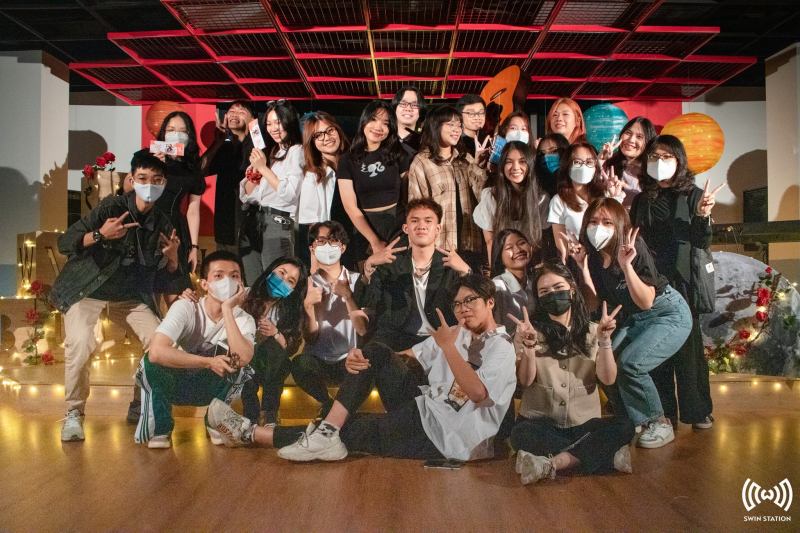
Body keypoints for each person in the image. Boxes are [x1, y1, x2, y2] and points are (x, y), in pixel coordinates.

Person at [207, 274, 517, 464]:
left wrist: (447, 348)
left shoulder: (500, 348)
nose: (463, 309)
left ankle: (249, 433)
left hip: (448, 437)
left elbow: (477, 393)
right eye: (458, 304)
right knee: (377, 351)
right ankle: (327, 430)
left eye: (470, 300)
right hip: (425, 409)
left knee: (353, 429)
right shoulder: (456, 335)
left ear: (490, 302)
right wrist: (362, 359)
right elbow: (402, 356)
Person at [51, 152, 181, 442]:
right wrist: (100, 235)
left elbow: (164, 277)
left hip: (129, 297)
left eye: (157, 180)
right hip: (88, 291)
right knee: (80, 344)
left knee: (160, 343)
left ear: (164, 184)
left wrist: (172, 259)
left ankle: (139, 404)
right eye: (143, 178)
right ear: (131, 180)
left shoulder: (163, 222)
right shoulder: (111, 207)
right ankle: (74, 413)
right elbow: (65, 243)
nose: (149, 185)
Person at [570, 197, 692, 448]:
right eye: (593, 221)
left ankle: (658, 422)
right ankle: (627, 420)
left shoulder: (633, 247)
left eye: (607, 222)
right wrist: (582, 267)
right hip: (635, 318)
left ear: (619, 225)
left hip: (667, 313)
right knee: (605, 363)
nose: (599, 227)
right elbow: (592, 304)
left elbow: (646, 301)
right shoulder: (592, 256)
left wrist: (627, 267)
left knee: (631, 363)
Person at [509, 260, 635, 484]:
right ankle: (605, 458)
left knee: (625, 426)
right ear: (538, 298)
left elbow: (608, 379)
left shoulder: (594, 330)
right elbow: (525, 381)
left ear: (572, 289)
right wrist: (528, 347)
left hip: (583, 425)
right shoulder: (528, 332)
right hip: (542, 422)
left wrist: (605, 341)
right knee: (521, 434)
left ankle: (552, 464)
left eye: (558, 288)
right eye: (544, 292)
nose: (553, 295)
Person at [631, 135, 720, 430]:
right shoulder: (642, 199)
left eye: (667, 156)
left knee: (689, 351)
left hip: (684, 282)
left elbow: (702, 242)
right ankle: (664, 412)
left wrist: (704, 215)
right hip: (652, 283)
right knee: (656, 347)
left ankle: (698, 411)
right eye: (654, 157)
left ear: (679, 161)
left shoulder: (694, 195)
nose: (660, 162)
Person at [134, 251, 256, 448]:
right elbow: (156, 352)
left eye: (234, 276)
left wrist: (227, 310)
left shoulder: (244, 319)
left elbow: (244, 358)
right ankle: (161, 427)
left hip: (210, 385)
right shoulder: (186, 306)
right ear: (205, 284)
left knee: (240, 364)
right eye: (218, 275)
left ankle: (214, 420)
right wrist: (208, 362)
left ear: (241, 283)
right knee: (149, 361)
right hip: (174, 381)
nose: (227, 281)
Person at [292, 221, 367, 418]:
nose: (327, 246)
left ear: (342, 247)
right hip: (318, 361)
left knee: (367, 364)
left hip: (349, 360)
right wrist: (309, 307)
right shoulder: (307, 285)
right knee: (300, 364)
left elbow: (362, 330)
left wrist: (348, 296)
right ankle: (328, 404)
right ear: (312, 248)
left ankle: (343, 411)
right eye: (321, 241)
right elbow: (310, 337)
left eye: (333, 241)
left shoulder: (357, 280)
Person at [408, 105, 487, 270]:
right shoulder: (422, 162)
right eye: (450, 125)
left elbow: (483, 199)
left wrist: (479, 167)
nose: (456, 129)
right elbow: (416, 210)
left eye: (459, 125)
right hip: (439, 247)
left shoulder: (465, 159)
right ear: (436, 126)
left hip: (470, 243)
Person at [240, 100, 304, 284]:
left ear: (289, 121)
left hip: (278, 221)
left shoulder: (297, 151)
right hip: (253, 220)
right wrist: (255, 174)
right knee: (253, 283)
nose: (273, 128)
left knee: (276, 284)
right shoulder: (270, 152)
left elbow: (290, 194)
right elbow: (245, 194)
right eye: (269, 123)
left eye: (278, 122)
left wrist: (263, 168)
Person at [337, 100, 410, 260]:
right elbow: (350, 207)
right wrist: (374, 241)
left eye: (386, 123)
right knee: (370, 272)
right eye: (373, 119)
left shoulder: (399, 154)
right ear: (364, 121)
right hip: (365, 227)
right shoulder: (347, 160)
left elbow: (409, 195)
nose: (379, 127)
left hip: (398, 225)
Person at [240, 257, 307, 425]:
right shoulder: (245, 296)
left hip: (270, 366)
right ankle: (251, 416)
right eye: (281, 273)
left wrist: (275, 333)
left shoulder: (290, 311)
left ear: (293, 289)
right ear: (270, 271)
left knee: (276, 351)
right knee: (246, 364)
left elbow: (290, 349)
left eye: (290, 281)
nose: (283, 280)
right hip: (243, 359)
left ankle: (269, 415)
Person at [472, 141, 548, 265]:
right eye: (509, 162)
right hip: (502, 264)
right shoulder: (491, 196)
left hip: (532, 264)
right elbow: (490, 242)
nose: (516, 167)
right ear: (502, 166)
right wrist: (495, 272)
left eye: (522, 161)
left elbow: (542, 241)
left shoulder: (541, 198)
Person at [295, 111, 351, 268]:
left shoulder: (353, 164)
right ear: (311, 142)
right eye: (318, 135)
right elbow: (313, 227)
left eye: (330, 130)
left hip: (357, 240)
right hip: (334, 247)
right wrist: (316, 267)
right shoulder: (313, 176)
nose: (326, 138)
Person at [201, 100, 256, 252]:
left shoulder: (257, 145)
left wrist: (255, 130)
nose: (234, 114)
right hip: (225, 225)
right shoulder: (225, 145)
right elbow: (201, 170)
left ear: (252, 119)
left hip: (249, 226)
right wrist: (218, 142)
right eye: (231, 111)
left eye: (241, 112)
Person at [548, 142, 608, 264]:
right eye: (577, 162)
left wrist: (615, 196)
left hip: (607, 261)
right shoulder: (558, 201)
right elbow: (562, 248)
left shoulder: (605, 194)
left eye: (589, 162)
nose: (583, 166)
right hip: (578, 262)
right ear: (567, 166)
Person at [601, 116, 657, 208]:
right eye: (628, 133)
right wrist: (601, 161)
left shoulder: (654, 170)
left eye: (639, 137)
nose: (631, 140)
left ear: (648, 142)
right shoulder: (609, 164)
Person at [489, 229, 534, 335]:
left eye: (522, 243)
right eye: (509, 248)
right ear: (499, 256)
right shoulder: (497, 287)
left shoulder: (535, 282)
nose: (518, 250)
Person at [456, 94, 490, 165]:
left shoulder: (488, 141)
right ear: (460, 115)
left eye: (481, 112)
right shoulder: (456, 144)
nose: (477, 117)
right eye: (471, 113)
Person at [534, 133, 569, 198]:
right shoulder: (536, 185)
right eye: (542, 153)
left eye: (553, 151)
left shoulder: (575, 182)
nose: (546, 156)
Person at [392, 85, 424, 155]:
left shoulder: (426, 144)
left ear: (420, 111)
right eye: (403, 104)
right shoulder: (382, 140)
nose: (408, 108)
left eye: (415, 105)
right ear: (395, 108)